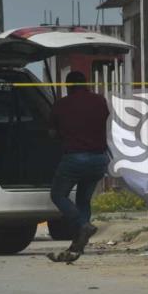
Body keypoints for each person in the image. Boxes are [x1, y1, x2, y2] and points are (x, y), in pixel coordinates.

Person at [47, 71, 110, 263]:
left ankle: (83, 225)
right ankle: (78, 245)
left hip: (75, 158)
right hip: (99, 159)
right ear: (86, 84)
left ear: (68, 86)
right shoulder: (100, 101)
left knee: (58, 195)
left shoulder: (61, 105)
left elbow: (51, 133)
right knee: (83, 199)